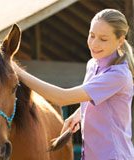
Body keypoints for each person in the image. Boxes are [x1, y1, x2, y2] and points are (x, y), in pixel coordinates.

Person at [13, 9, 134, 160]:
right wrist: (79, 114)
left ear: (120, 40)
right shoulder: (93, 64)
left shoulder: (118, 75)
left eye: (103, 39)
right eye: (92, 35)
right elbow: (97, 98)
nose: (94, 44)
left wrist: (18, 72)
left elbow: (63, 97)